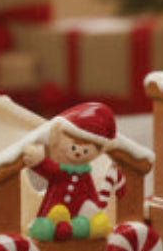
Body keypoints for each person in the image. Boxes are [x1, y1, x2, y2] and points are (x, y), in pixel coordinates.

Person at [22, 102, 123, 241]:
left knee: (84, 223)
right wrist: (38, 161)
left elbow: (90, 192)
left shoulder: (85, 173)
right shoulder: (61, 172)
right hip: (54, 214)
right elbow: (50, 170)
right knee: (53, 219)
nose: (79, 153)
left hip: (78, 217)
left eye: (85, 150)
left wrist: (95, 206)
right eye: (74, 148)